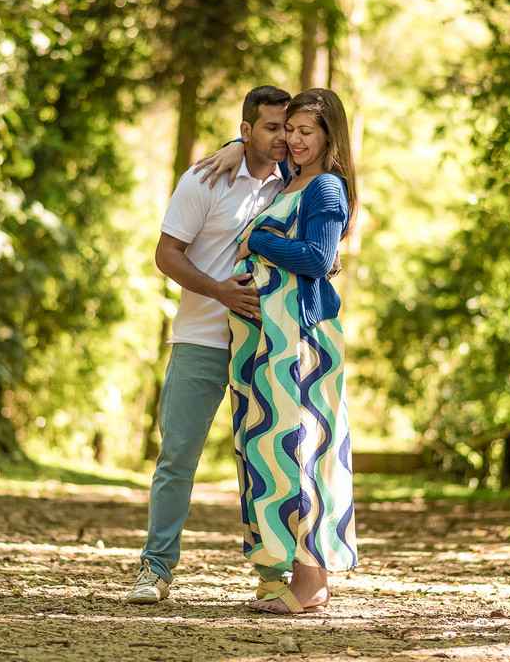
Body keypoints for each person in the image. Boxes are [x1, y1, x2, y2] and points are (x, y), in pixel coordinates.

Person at [126, 85, 294, 605]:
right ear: (245, 131)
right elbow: (166, 255)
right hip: (201, 338)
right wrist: (219, 290)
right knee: (178, 457)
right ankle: (155, 570)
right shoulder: (205, 178)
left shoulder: (293, 181)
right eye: (271, 128)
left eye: (287, 128)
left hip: (265, 343)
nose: (283, 138)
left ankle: (273, 574)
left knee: (264, 460)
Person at [228, 88, 360, 614]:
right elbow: (248, 138)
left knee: (301, 451)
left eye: (307, 132)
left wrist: (257, 241)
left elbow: (317, 256)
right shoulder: (291, 180)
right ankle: (298, 575)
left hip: (302, 339)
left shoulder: (326, 187)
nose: (294, 140)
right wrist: (225, 150)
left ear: (329, 136)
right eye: (290, 130)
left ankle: (311, 584)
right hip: (269, 338)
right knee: (275, 454)